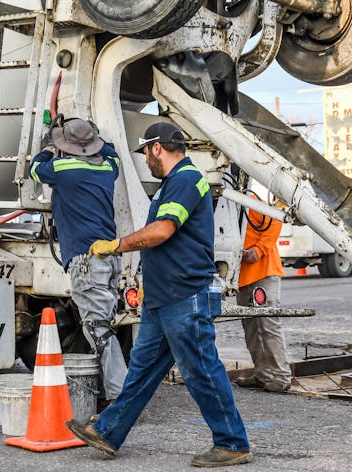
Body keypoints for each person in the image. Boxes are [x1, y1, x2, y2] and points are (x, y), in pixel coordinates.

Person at [66, 122, 252, 468]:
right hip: (163, 299)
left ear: (156, 148)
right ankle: (108, 431)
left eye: (145, 153)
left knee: (201, 371)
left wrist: (117, 245)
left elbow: (163, 230)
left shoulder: (186, 180)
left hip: (185, 297)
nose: (146, 161)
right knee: (141, 371)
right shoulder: (172, 183)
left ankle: (233, 443)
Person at [29, 118, 127, 407]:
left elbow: (35, 169)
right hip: (108, 260)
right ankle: (108, 390)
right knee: (104, 325)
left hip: (86, 260)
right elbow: (112, 153)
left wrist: (48, 145)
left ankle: (120, 396)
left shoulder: (61, 169)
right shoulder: (108, 169)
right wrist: (96, 136)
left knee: (98, 328)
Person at [234, 202, 292, 393]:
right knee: (250, 327)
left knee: (268, 324)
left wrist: (258, 250)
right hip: (242, 275)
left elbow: (275, 219)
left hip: (263, 271)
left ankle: (282, 377)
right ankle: (262, 375)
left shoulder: (249, 201)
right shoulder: (226, 206)